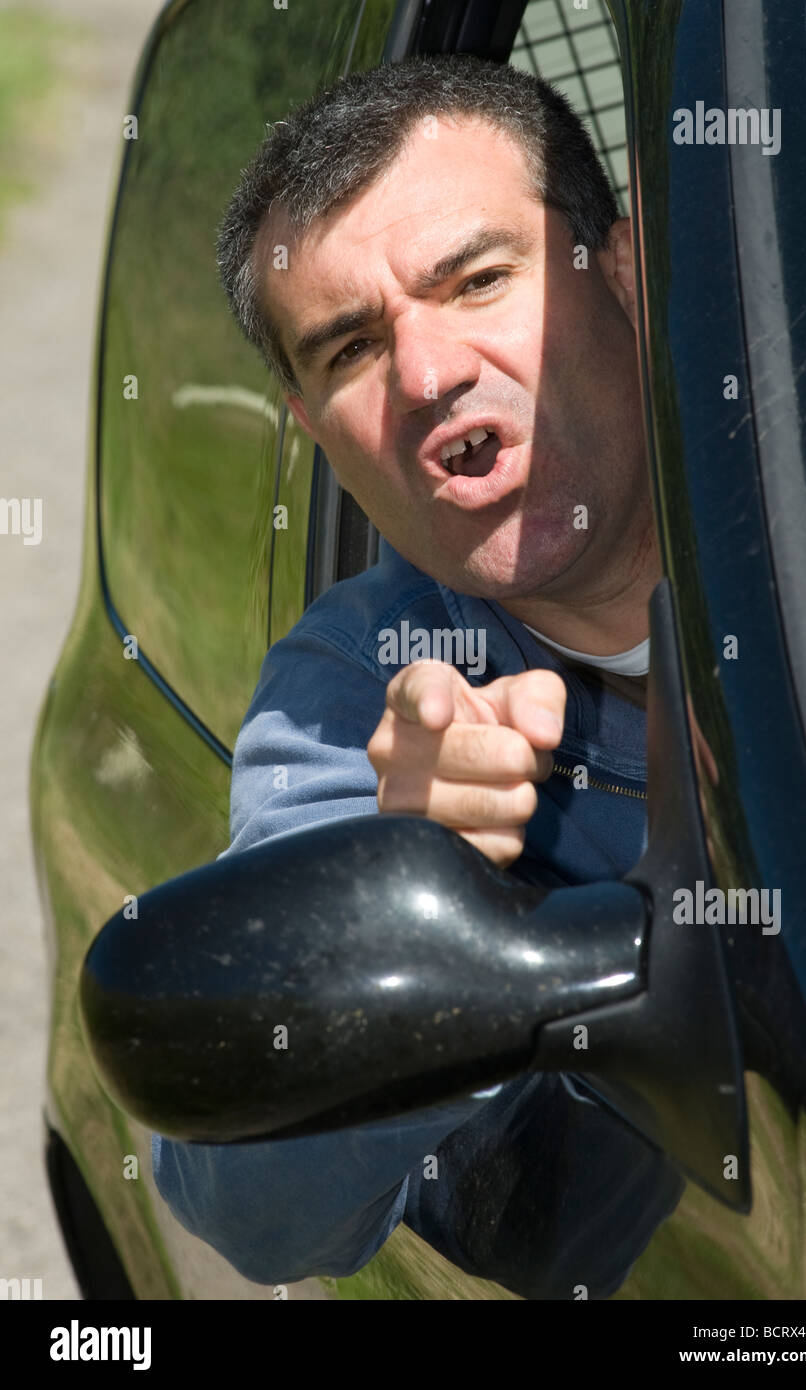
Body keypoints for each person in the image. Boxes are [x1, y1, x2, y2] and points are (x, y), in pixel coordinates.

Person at [151, 52, 685, 1301]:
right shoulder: (350, 694)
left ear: (622, 269)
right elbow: (251, 1205)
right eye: (348, 349)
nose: (429, 372)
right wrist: (405, 883)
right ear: (314, 436)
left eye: (479, 280)